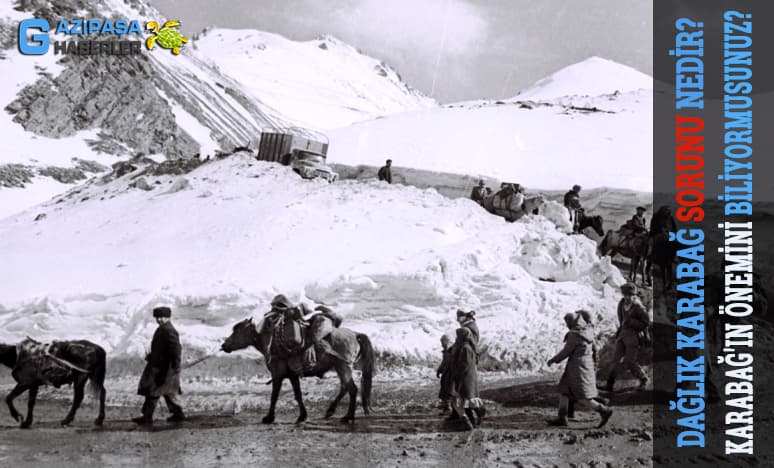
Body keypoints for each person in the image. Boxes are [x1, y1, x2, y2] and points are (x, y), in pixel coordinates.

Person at [546, 312, 613, 428]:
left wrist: (553, 360)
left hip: (576, 368)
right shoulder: (587, 330)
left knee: (583, 396)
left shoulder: (574, 335)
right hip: (585, 365)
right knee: (564, 390)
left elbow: (566, 352)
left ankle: (604, 410)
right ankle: (562, 417)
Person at [134, 306, 185, 425]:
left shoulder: (169, 330)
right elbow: (162, 349)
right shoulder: (163, 329)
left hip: (164, 368)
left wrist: (176, 366)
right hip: (160, 366)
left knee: (153, 391)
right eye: (157, 317)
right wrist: (152, 356)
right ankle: (178, 414)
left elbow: (176, 350)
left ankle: (146, 417)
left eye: (163, 317)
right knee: (168, 392)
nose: (159, 320)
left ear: (168, 317)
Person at [601, 282, 650, 392]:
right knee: (615, 360)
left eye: (629, 295)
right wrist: (621, 329)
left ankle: (644, 380)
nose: (627, 297)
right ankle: (609, 384)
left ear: (634, 295)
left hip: (633, 337)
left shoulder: (638, 307)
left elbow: (645, 323)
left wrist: (632, 322)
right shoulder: (621, 303)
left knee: (630, 361)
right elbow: (621, 319)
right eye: (625, 295)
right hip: (622, 335)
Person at [436, 333, 454, 412]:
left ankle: (450, 407)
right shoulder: (446, 352)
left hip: (451, 374)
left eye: (443, 343)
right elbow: (444, 362)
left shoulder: (453, 351)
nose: (442, 345)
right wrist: (439, 370)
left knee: (450, 391)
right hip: (446, 374)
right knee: (445, 390)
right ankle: (446, 406)